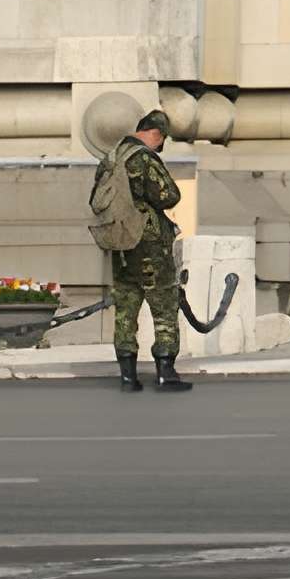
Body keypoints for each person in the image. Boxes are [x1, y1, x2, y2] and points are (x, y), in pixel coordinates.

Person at [105, 109, 191, 393]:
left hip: (120, 243)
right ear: (156, 134)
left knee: (125, 310)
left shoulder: (112, 156)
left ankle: (128, 377)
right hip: (149, 243)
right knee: (164, 305)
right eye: (161, 141)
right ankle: (166, 372)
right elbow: (169, 196)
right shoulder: (143, 157)